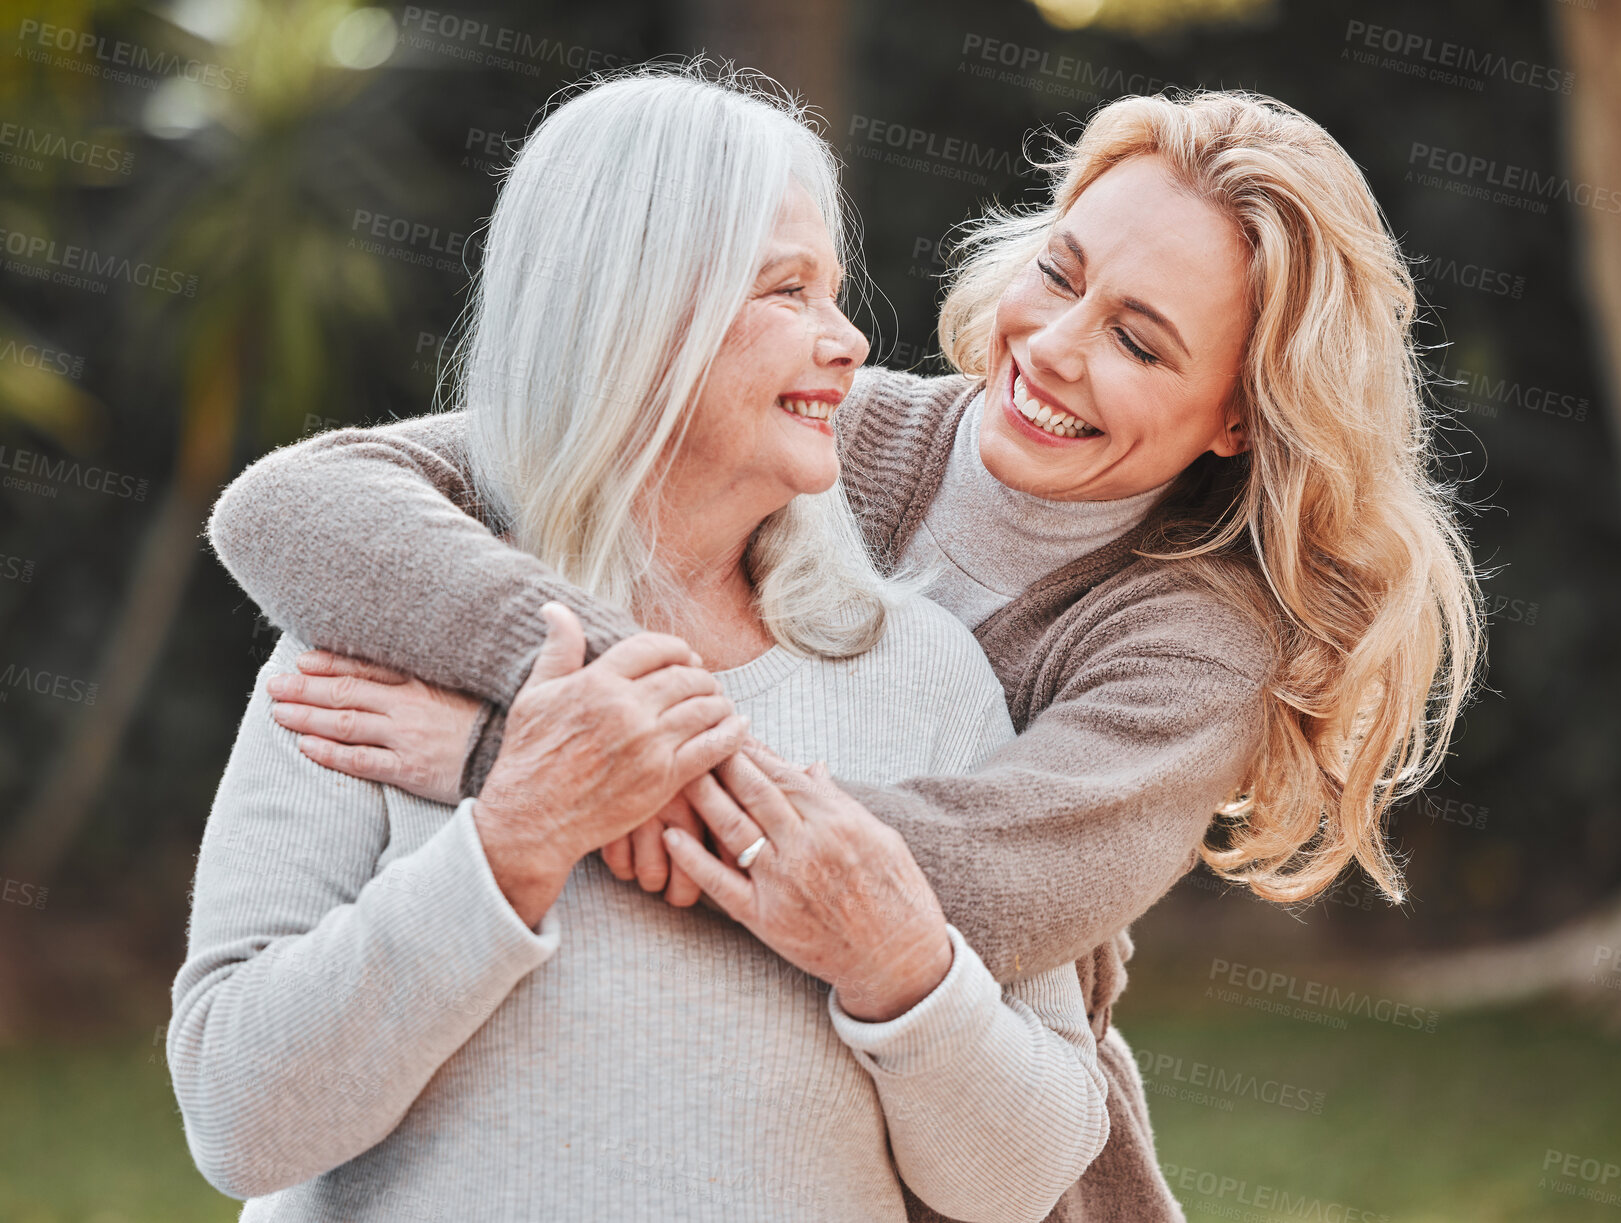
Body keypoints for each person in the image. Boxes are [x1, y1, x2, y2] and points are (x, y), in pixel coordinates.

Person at [207, 84, 1484, 1221]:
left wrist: (518, 762)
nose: (1049, 347)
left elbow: (961, 887)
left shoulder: (1189, 644)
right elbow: (310, 500)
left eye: (1140, 342)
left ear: (1239, 421)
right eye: (1058, 270)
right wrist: (594, 690)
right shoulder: (825, 423)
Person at [170, 67, 1110, 1223]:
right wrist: (515, 837)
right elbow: (236, 1112)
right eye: (788, 290)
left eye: (833, 289)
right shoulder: (381, 633)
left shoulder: (917, 669)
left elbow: (1025, 1176)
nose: (850, 340)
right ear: (629, 308)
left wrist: (900, 966)